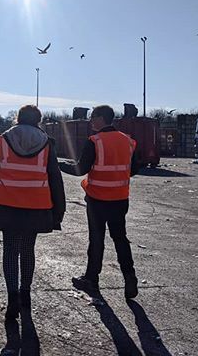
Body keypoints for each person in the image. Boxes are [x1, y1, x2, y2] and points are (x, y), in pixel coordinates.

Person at [0, 105, 66, 319]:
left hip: (6, 204)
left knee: (10, 250)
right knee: (28, 249)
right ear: (38, 120)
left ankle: (12, 298)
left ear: (18, 118)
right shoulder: (46, 143)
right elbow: (55, 177)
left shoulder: (2, 140)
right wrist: (59, 207)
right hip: (36, 206)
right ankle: (25, 294)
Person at [59, 105, 141, 299]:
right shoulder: (128, 141)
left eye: (93, 117)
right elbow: (134, 168)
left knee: (96, 240)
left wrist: (58, 165)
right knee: (120, 238)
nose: (91, 121)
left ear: (102, 118)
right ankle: (130, 277)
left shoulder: (95, 141)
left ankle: (91, 279)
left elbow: (81, 169)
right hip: (120, 198)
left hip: (98, 199)